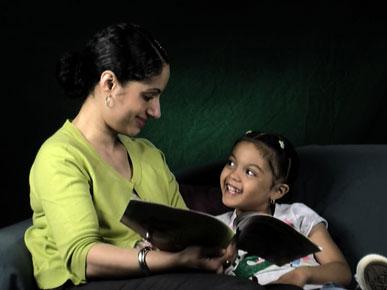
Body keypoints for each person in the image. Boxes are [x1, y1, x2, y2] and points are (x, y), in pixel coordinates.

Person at [24, 23, 268, 290]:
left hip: (158, 276)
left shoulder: (148, 154)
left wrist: (216, 246)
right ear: (109, 83)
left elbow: (186, 230)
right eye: (148, 96)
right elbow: (83, 258)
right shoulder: (60, 155)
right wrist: (176, 260)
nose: (156, 111)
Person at [217, 131, 353, 290]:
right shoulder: (217, 227)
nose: (233, 175)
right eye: (231, 163)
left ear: (277, 191)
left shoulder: (297, 214)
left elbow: (342, 272)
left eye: (249, 172)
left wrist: (303, 274)